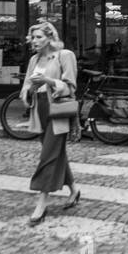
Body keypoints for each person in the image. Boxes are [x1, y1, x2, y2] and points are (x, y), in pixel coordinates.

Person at [20, 22, 81, 226]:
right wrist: (26, 93)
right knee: (56, 153)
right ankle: (74, 190)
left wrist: (49, 81)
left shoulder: (65, 55)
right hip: (39, 110)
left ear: (50, 37)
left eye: (38, 37)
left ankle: (41, 204)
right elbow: (27, 85)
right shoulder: (33, 60)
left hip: (57, 110)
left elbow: (70, 85)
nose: (34, 41)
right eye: (33, 38)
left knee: (48, 155)